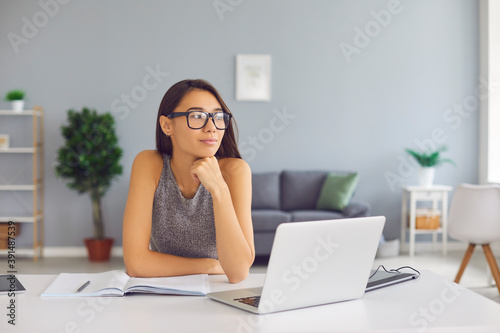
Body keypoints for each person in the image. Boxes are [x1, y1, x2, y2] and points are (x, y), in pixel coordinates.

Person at [123, 79, 254, 283]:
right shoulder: (148, 164)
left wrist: (218, 189)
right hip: (163, 289)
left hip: (218, 291)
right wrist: (209, 265)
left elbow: (238, 272)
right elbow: (136, 263)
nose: (212, 127)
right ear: (167, 125)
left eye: (218, 117)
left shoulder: (235, 171)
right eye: (197, 116)